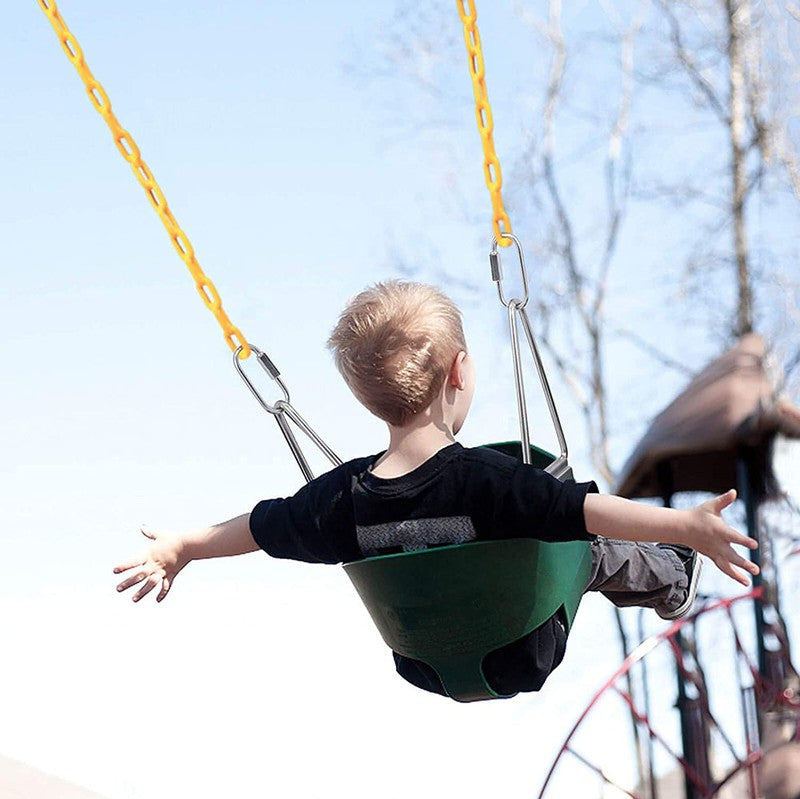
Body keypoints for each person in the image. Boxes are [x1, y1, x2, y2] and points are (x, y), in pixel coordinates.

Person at [114, 280, 759, 698]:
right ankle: (673, 580)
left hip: (424, 662)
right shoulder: (489, 480)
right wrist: (687, 527)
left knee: (550, 526)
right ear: (459, 372)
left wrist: (185, 548)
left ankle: (667, 572)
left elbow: (259, 526)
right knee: (575, 543)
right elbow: (591, 512)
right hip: (521, 647)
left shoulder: (338, 498)